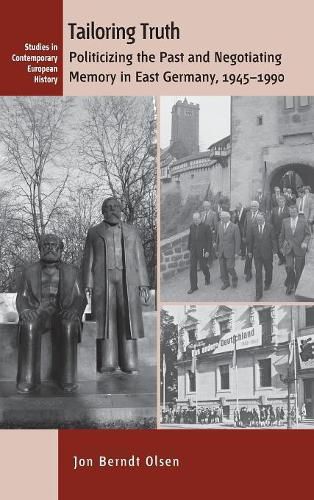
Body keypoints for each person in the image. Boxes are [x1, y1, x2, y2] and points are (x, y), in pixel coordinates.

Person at [82, 197, 150, 373]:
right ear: (103, 211)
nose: (112, 210)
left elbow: (139, 257)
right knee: (105, 320)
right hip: (102, 279)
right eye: (108, 207)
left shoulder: (132, 231)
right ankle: (108, 361)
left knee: (127, 319)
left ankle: (129, 361)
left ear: (121, 210)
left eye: (115, 207)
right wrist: (87, 283)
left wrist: (144, 283)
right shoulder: (94, 232)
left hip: (128, 278)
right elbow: (88, 260)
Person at [16, 234, 87, 393]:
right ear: (40, 249)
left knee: (68, 325)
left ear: (61, 249)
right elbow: (22, 296)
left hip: (62, 313)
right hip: (38, 312)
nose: (50, 248)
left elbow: (81, 297)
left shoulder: (73, 271)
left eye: (54, 245)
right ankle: (28, 379)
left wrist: (74, 311)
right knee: (29, 325)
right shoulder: (29, 271)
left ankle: (68, 378)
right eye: (45, 245)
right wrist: (26, 310)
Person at [279, 205, 311, 294]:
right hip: (288, 248)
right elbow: (281, 235)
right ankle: (290, 284)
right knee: (289, 267)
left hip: (300, 248)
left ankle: (298, 287)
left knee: (298, 269)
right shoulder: (285, 221)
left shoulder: (303, 221)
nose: (292, 213)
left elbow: (308, 234)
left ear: (297, 212)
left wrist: (305, 242)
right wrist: (281, 246)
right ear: (289, 212)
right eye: (291, 212)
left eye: (294, 212)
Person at [248, 212, 277, 300]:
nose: (259, 221)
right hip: (257, 254)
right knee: (258, 273)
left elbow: (273, 240)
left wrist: (275, 252)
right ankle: (258, 294)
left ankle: (268, 283)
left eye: (260, 219)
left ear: (264, 219)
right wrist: (249, 251)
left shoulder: (270, 227)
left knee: (269, 270)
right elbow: (250, 240)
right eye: (257, 220)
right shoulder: (253, 227)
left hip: (267, 253)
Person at [187, 212, 212, 294]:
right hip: (194, 250)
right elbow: (190, 237)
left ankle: (207, 277)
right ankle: (193, 287)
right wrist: (189, 247)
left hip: (203, 250)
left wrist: (208, 251)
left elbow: (209, 240)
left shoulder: (206, 227)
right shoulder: (191, 226)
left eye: (197, 219)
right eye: (194, 220)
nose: (195, 221)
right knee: (192, 268)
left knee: (203, 266)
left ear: (200, 218)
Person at [216, 211, 241, 290]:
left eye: (222, 218)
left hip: (230, 251)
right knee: (222, 268)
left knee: (230, 267)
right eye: (221, 218)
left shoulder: (234, 227)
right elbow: (218, 238)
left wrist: (237, 252)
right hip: (221, 251)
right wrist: (217, 249)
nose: (221, 219)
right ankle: (226, 283)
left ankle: (234, 278)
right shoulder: (219, 225)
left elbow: (237, 240)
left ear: (227, 218)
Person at [243, 201, 260, 281]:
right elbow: (245, 225)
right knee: (248, 257)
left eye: (255, 206)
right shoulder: (248, 214)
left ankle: (258, 272)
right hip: (249, 240)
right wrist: (244, 236)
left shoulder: (261, 214)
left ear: (258, 207)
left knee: (257, 257)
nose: (253, 208)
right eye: (252, 206)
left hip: (257, 240)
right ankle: (248, 273)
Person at [271, 196, 290, 265]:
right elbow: (271, 220)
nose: (281, 203)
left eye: (282, 202)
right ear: (277, 202)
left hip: (285, 232)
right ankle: (281, 259)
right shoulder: (274, 209)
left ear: (284, 202)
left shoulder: (288, 210)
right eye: (279, 202)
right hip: (276, 231)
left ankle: (286, 259)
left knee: (285, 245)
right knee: (278, 245)